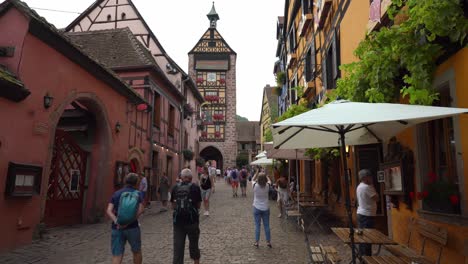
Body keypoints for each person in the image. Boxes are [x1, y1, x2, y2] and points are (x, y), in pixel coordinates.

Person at [106, 173, 145, 264]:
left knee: (117, 254)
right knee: (136, 251)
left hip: (117, 227)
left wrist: (117, 221)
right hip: (133, 227)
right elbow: (141, 209)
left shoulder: (117, 193)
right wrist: (130, 221)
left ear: (125, 181)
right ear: (136, 183)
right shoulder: (138, 194)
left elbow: (109, 210)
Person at [171, 168, 202, 264]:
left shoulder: (175, 187)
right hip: (192, 221)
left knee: (178, 248)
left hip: (178, 222)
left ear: (181, 177)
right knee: (194, 245)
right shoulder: (195, 188)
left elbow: (173, 206)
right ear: (191, 178)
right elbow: (198, 205)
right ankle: (196, 262)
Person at [356, 169, 379, 256]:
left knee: (362, 237)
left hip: (362, 214)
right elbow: (377, 198)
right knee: (367, 238)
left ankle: (362, 257)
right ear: (365, 178)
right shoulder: (367, 187)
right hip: (367, 215)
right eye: (370, 177)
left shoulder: (360, 186)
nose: (372, 178)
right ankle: (366, 258)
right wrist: (373, 187)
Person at [252, 171, 272, 249]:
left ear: (258, 179)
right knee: (266, 225)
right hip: (266, 207)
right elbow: (269, 181)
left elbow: (253, 179)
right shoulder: (267, 186)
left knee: (257, 225)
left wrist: (257, 172)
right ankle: (268, 242)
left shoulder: (255, 186)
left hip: (256, 207)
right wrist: (266, 175)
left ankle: (257, 242)